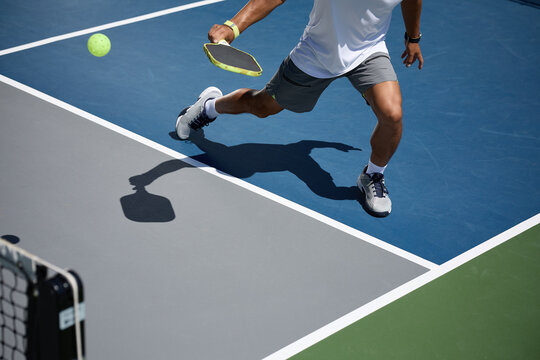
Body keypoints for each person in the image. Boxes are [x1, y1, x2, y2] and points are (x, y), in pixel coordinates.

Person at [176, 0, 423, 217]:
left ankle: (373, 174)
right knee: (261, 106)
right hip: (316, 54)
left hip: (368, 51)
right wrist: (233, 27)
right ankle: (208, 107)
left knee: (392, 115)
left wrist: (413, 38)